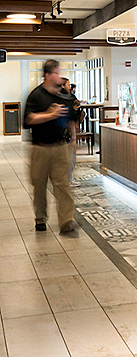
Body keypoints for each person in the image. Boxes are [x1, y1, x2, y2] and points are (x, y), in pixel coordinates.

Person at [24, 60, 79, 233]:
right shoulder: (36, 95)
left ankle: (66, 221)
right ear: (47, 75)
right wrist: (50, 115)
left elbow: (71, 119)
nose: (59, 75)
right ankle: (40, 218)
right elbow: (28, 119)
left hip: (60, 146)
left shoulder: (63, 95)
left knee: (62, 185)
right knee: (39, 185)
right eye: (56, 72)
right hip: (40, 147)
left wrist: (73, 139)